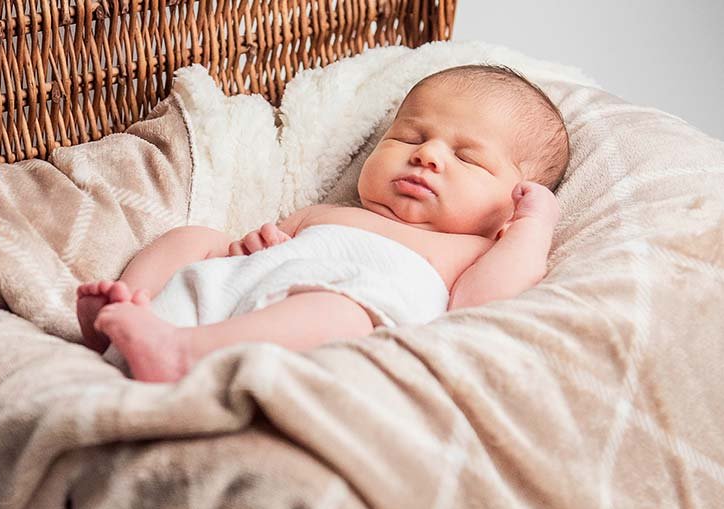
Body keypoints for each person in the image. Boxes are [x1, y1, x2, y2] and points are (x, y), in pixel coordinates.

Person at [76, 64, 570, 382]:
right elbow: (270, 250)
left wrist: (533, 224)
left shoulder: (474, 249)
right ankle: (136, 315)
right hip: (245, 296)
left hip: (341, 324)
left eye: (468, 158)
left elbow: (485, 302)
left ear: (510, 204)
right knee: (194, 238)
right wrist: (258, 244)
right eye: (409, 136)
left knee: (342, 311)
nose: (427, 155)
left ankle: (185, 353)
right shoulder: (329, 214)